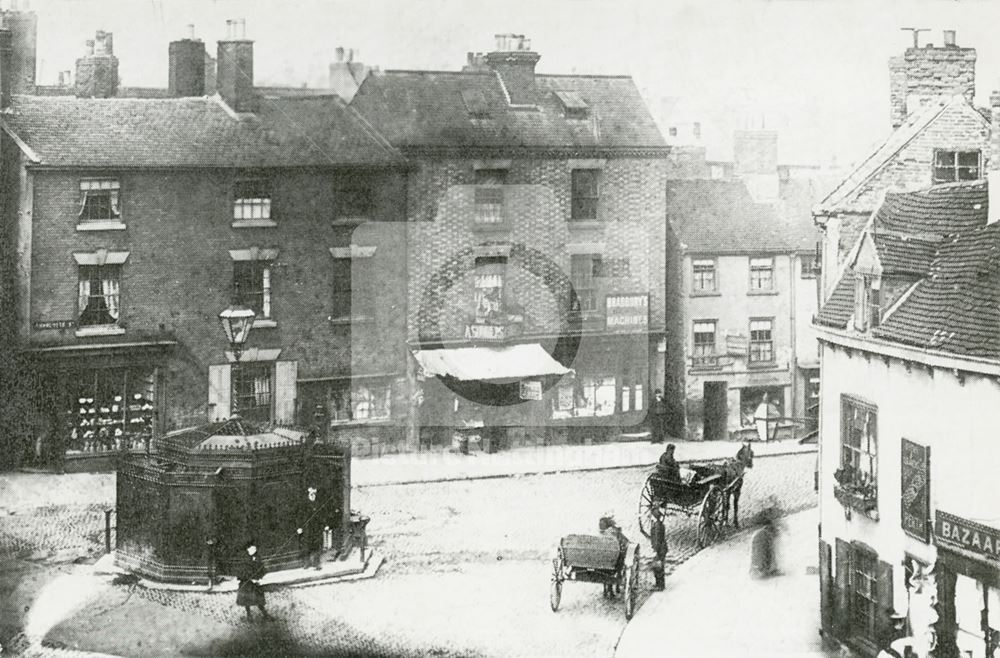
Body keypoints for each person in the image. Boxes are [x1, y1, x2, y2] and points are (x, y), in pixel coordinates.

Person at [236, 541, 271, 621]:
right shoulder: (245, 558)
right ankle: (249, 616)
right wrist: (249, 578)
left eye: (253, 548)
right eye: (250, 548)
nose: (252, 549)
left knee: (259, 599)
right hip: (246, 582)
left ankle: (265, 614)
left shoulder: (257, 557)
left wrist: (259, 577)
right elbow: (243, 570)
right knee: (246, 600)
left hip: (255, 583)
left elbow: (262, 569)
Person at [749, 503, 783, 579]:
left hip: (759, 569)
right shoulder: (764, 534)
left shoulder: (763, 534)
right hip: (760, 569)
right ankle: (764, 569)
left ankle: (767, 568)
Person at [297, 486, 324, 570]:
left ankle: (316, 563)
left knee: (317, 545)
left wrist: (324, 525)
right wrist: (299, 527)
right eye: (311, 491)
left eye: (314, 491)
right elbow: (299, 515)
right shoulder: (303, 502)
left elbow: (322, 513)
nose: (313, 493)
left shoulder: (319, 501)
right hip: (307, 527)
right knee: (306, 545)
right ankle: (307, 563)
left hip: (317, 527)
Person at [650, 506, 668, 591]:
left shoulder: (656, 526)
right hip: (662, 548)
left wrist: (655, 550)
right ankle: (661, 584)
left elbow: (657, 539)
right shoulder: (659, 524)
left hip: (659, 548)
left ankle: (659, 585)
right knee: (660, 565)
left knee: (657, 567)